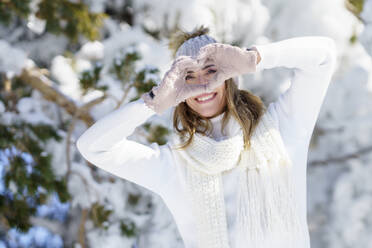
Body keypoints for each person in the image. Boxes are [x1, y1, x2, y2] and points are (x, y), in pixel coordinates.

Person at [76, 26, 337, 248]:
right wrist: (152, 103)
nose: (202, 83)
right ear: (177, 89)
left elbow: (324, 55)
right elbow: (93, 148)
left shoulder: (281, 128)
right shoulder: (172, 166)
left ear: (229, 76)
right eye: (188, 77)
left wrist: (254, 58)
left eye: (211, 71)